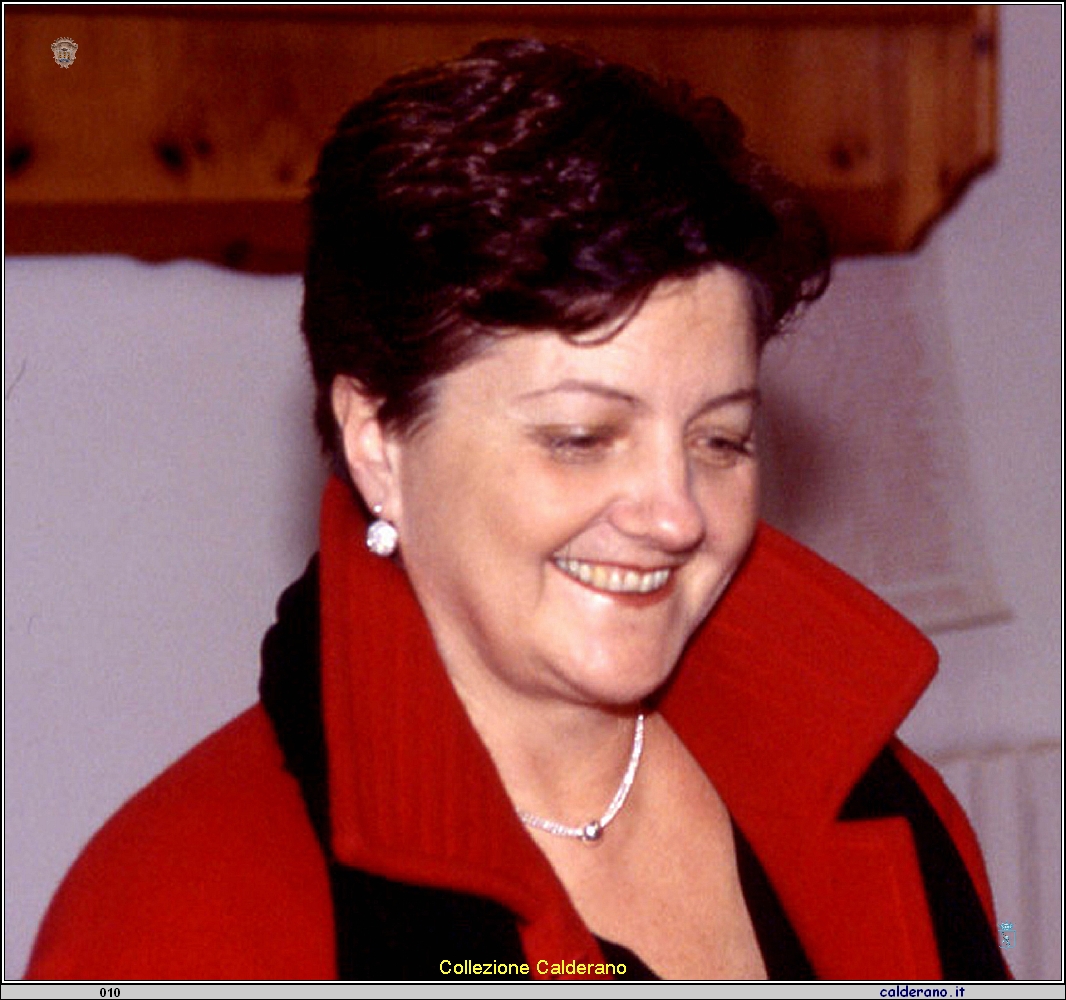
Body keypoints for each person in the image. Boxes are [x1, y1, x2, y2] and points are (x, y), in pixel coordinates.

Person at [27, 38, 1008, 981]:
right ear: (378, 441)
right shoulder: (181, 909)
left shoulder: (887, 804)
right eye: (581, 436)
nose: (676, 515)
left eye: (720, 440)